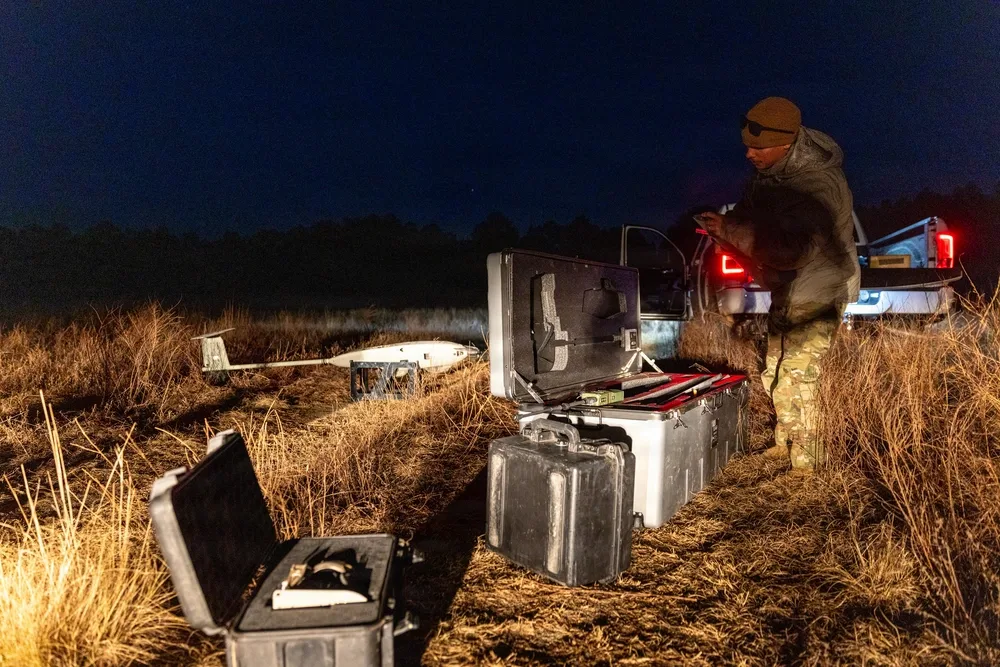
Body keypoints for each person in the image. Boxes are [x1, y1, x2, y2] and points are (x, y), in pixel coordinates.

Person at [697, 97, 859, 470]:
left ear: (785, 144)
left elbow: (794, 252)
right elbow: (747, 215)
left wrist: (731, 230)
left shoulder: (819, 185)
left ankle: (808, 463)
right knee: (775, 368)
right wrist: (723, 227)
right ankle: (785, 442)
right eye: (746, 147)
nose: (749, 154)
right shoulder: (768, 175)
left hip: (819, 287)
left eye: (757, 147)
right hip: (788, 287)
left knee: (798, 374)